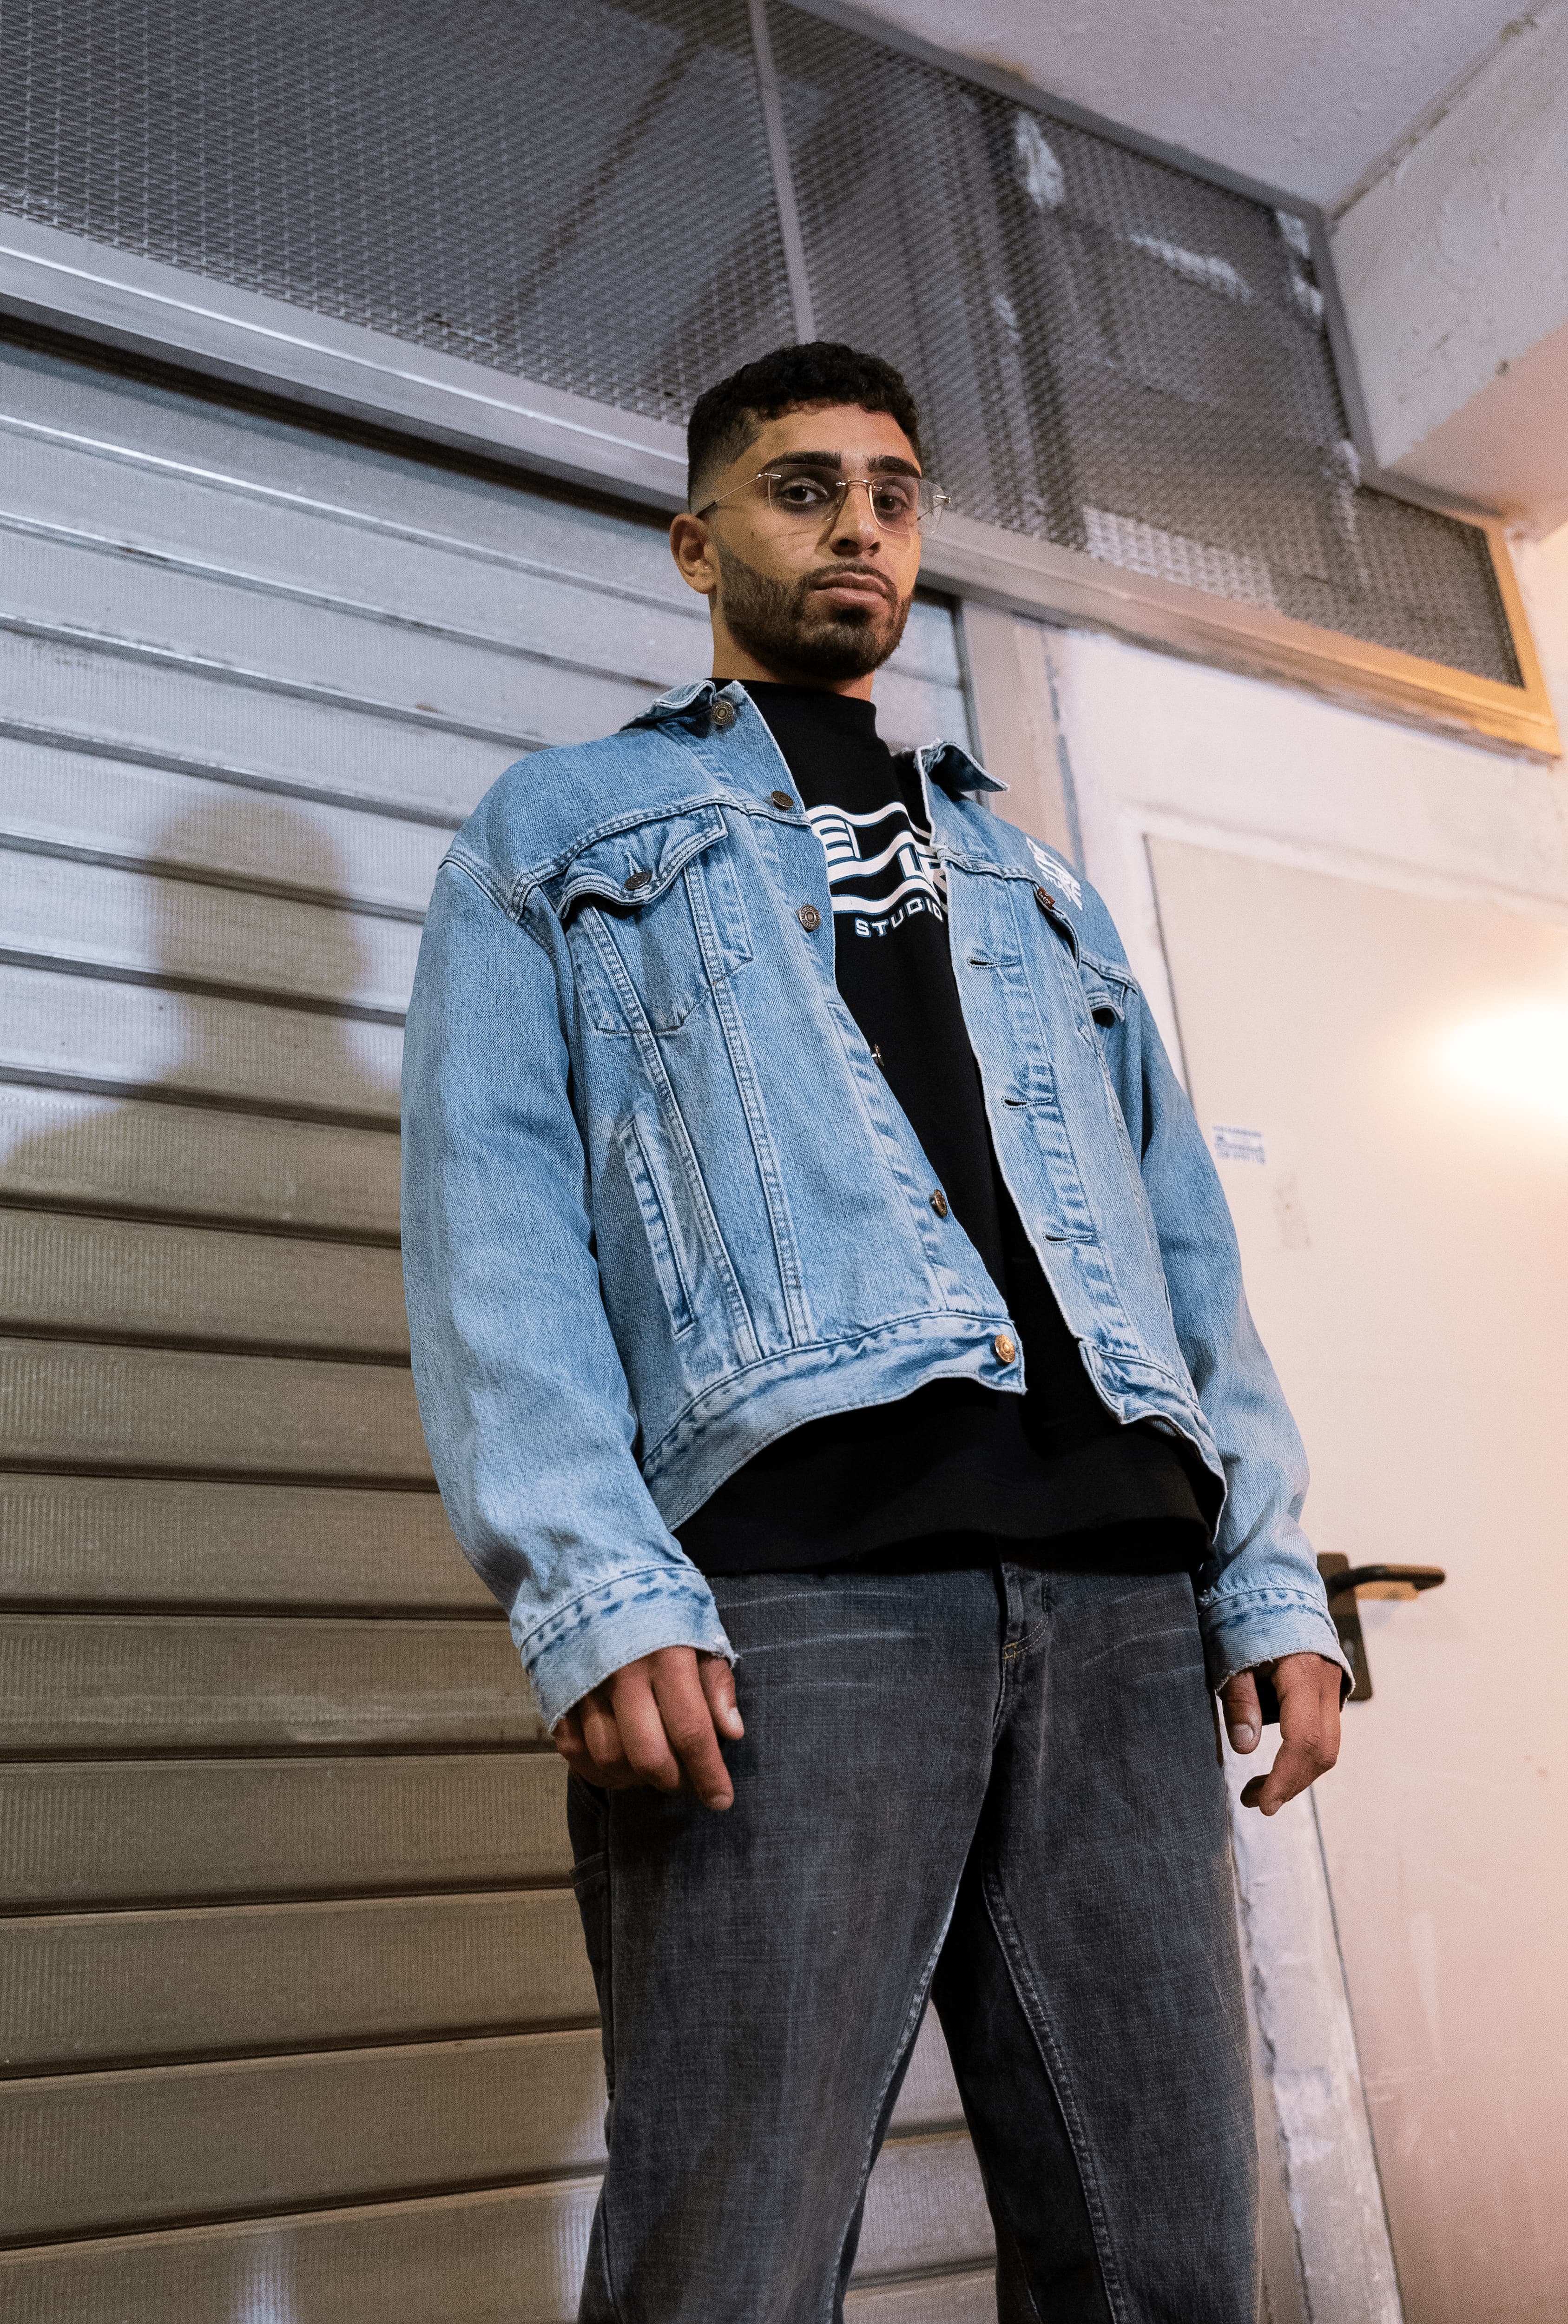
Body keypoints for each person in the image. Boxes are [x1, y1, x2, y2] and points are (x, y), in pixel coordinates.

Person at [401, 342, 1350, 2323]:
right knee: (729, 2262)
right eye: (803, 486)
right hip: (789, 1600)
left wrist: (1267, 1571)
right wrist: (596, 1584)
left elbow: (1185, 1245)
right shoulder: (563, 829)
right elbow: (495, 1221)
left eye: (894, 493)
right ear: (698, 542)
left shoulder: (1037, 880)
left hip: (1120, 1602)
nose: (859, 526)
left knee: (1170, 2258)